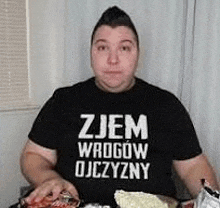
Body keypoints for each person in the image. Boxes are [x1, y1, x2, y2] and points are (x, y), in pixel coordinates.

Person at [20, 6, 219, 207]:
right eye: (102, 47)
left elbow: (193, 166)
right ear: (91, 53)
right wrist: (48, 178)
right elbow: (33, 155)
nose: (113, 60)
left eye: (124, 48)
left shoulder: (165, 105)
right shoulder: (64, 100)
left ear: (137, 54)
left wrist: (210, 200)